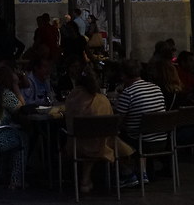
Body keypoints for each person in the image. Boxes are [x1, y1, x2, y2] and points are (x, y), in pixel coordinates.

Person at [64, 62, 134, 193]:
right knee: (112, 141)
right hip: (100, 144)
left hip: (75, 145)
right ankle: (125, 172)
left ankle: (85, 179)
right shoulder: (102, 100)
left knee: (90, 140)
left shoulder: (72, 97)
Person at [113, 58, 165, 166]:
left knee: (112, 137)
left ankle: (125, 172)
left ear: (123, 75)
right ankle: (142, 171)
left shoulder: (128, 93)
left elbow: (117, 121)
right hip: (161, 139)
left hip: (140, 141)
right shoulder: (156, 88)